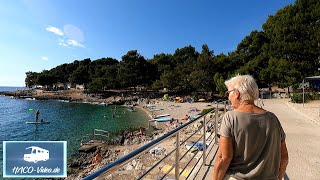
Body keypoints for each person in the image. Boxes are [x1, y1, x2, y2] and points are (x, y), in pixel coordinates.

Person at [213, 74, 288, 180]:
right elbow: (284, 157)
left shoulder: (230, 117)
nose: (228, 97)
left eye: (228, 93)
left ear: (237, 94)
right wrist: (279, 178)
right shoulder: (272, 118)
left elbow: (223, 158)